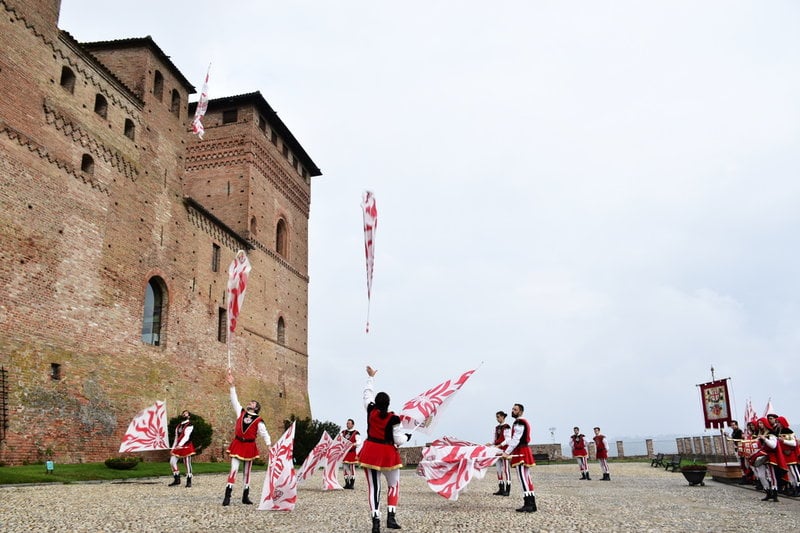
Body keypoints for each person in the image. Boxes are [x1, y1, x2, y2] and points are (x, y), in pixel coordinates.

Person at [359, 365, 410, 532]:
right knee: (393, 485)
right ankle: (391, 517)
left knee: (374, 487)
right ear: (388, 404)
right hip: (388, 454)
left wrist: (371, 378)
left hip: (371, 452)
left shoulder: (371, 410)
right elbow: (398, 440)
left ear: (377, 403)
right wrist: (407, 437)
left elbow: (367, 394)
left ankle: (375, 521)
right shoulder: (394, 418)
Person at [222, 369, 271, 506]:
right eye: (250, 402)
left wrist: (269, 445)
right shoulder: (241, 412)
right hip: (238, 444)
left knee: (247, 473)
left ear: (256, 408)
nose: (250, 403)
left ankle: (245, 496)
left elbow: (264, 433)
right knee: (234, 469)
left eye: (253, 403)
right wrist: (232, 385)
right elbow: (234, 400)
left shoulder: (259, 420)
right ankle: (228, 495)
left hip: (249, 446)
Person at [501, 403, 537, 513]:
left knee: (523, 479)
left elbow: (516, 439)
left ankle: (528, 504)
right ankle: (532, 503)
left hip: (521, 451)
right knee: (527, 478)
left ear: (520, 411)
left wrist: (506, 452)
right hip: (524, 450)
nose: (512, 411)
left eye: (515, 409)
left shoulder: (519, 422)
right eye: (512, 409)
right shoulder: (522, 422)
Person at [168, 410, 196, 487]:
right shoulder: (178, 426)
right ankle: (177, 479)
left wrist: (180, 444)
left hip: (186, 446)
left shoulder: (190, 425)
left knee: (187, 463)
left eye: (186, 413)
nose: (184, 414)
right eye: (183, 413)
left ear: (189, 416)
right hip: (178, 446)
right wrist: (173, 448)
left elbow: (186, 436)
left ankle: (189, 479)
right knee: (172, 462)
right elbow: (176, 438)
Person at [487, 410, 511, 496]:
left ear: (502, 417)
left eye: (498, 417)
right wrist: (491, 443)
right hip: (497, 450)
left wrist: (500, 445)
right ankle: (501, 488)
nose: (497, 419)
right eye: (496, 417)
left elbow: (508, 439)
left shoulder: (507, 426)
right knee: (498, 469)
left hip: (504, 449)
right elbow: (495, 439)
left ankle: (507, 490)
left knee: (506, 469)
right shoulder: (496, 428)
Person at [341, 418, 362, 489]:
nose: (348, 424)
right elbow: (339, 440)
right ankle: (347, 483)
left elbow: (359, 442)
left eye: (349, 423)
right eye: (347, 423)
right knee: (345, 468)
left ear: (353, 424)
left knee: (352, 468)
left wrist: (353, 444)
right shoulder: (343, 432)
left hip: (351, 452)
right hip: (344, 453)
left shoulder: (356, 433)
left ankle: (352, 484)